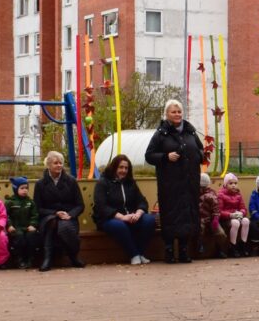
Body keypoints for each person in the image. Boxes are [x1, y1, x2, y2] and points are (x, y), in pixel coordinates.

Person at [145, 98, 204, 264]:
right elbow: (149, 156)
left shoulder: (191, 132)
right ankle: (169, 250)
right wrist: (165, 157)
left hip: (189, 183)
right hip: (169, 184)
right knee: (171, 215)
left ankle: (184, 250)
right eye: (173, 112)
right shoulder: (160, 134)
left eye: (179, 111)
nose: (177, 114)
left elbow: (200, 149)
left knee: (187, 214)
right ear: (167, 114)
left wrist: (198, 155)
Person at [92, 155, 156, 266]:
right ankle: (134, 254)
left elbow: (142, 201)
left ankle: (140, 253)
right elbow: (101, 206)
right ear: (114, 167)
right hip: (110, 218)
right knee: (120, 226)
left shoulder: (131, 183)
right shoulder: (103, 183)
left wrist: (138, 213)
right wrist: (121, 217)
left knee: (149, 220)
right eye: (121, 167)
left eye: (126, 168)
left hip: (131, 216)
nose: (124, 171)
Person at [34, 151, 85, 271]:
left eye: (60, 163)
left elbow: (80, 205)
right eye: (55, 163)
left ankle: (71, 256)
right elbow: (38, 208)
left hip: (68, 218)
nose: (59, 165)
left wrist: (70, 215)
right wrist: (54, 213)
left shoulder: (71, 181)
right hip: (48, 217)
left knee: (64, 227)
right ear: (48, 165)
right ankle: (49, 258)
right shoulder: (40, 184)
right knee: (52, 223)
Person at [5, 177, 40, 269]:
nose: (25, 190)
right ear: (16, 189)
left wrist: (33, 224)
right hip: (16, 228)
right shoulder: (10, 202)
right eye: (22, 188)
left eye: (26, 188)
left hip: (28, 227)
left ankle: (30, 259)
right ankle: (19, 259)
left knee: (31, 237)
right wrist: (9, 225)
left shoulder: (30, 202)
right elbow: (6, 215)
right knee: (19, 239)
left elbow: (35, 215)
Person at [218, 173, 250, 257]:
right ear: (225, 184)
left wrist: (241, 213)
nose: (233, 185)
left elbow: (243, 209)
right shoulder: (221, 195)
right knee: (236, 223)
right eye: (230, 183)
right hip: (226, 219)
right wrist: (231, 215)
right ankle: (233, 247)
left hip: (236, 216)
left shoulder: (238, 195)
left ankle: (243, 245)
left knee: (246, 221)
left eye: (235, 183)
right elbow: (219, 211)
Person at [197, 173, 228, 258]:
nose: (202, 187)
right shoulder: (194, 194)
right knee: (200, 229)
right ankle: (199, 245)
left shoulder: (211, 195)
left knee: (221, 234)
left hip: (211, 219)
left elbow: (216, 209)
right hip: (200, 219)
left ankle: (220, 249)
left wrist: (215, 218)